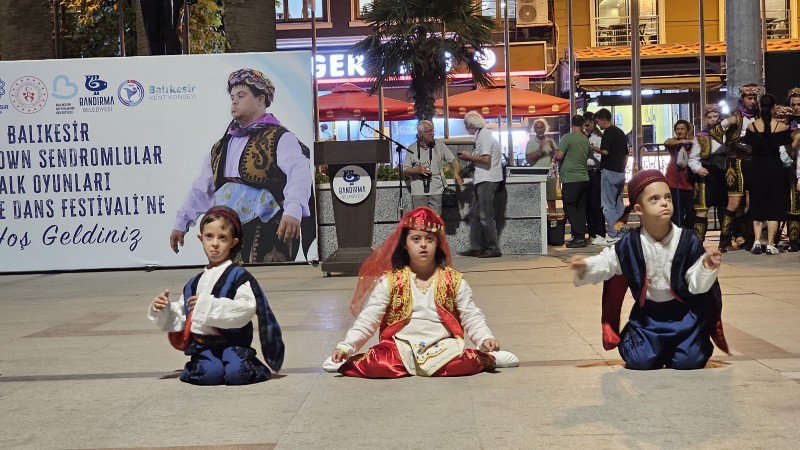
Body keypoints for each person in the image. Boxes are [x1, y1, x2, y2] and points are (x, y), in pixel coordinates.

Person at [322, 207, 519, 378]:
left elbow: (471, 316)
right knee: (380, 363)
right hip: (400, 346)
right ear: (405, 244)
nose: (423, 244)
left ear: (438, 244)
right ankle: (344, 361)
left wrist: (485, 338)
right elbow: (369, 318)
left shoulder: (453, 280)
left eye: (429, 239)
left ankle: (489, 357)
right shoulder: (391, 281)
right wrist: (346, 347)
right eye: (416, 239)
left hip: (442, 346)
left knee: (459, 364)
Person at [569, 170, 728, 370]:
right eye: (655, 199)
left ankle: (681, 346)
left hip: (684, 316)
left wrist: (706, 267)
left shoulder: (688, 241)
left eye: (668, 197)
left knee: (689, 361)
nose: (664, 203)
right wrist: (585, 266)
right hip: (648, 318)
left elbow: (697, 287)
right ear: (639, 209)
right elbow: (608, 262)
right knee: (639, 360)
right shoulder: (630, 243)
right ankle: (653, 345)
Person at [170, 68, 315, 263]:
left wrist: (293, 211)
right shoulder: (221, 146)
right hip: (228, 231)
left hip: (269, 230)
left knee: (267, 280)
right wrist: (181, 223)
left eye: (241, 96)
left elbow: (299, 175)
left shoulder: (281, 137)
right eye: (232, 97)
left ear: (260, 99)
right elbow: (202, 188)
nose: (234, 102)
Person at [148, 206, 285, 385]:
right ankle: (208, 364)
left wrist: (208, 305)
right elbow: (184, 313)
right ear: (201, 239)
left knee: (237, 374)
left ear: (233, 242)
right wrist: (164, 308)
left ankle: (247, 364)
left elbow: (246, 308)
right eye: (209, 236)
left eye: (222, 238)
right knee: (208, 375)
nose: (214, 243)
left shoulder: (238, 276)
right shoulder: (194, 282)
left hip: (234, 343)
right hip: (204, 345)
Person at [741, 94, 793, 255]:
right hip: (775, 168)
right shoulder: (781, 127)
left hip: (755, 169)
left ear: (759, 105)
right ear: (774, 107)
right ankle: (770, 244)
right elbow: (789, 150)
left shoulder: (752, 126)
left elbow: (748, 149)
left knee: (756, 203)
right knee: (774, 207)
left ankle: (757, 241)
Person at [717, 83, 762, 252]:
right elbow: (715, 133)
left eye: (754, 98)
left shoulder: (760, 116)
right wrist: (726, 124)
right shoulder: (732, 115)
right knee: (734, 202)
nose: (753, 101)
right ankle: (724, 240)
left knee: (751, 201)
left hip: (753, 162)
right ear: (742, 98)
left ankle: (748, 238)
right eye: (750, 98)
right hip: (735, 162)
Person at [458, 111, 504, 258]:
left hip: (487, 180)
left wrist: (468, 157)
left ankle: (493, 248)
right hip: (482, 179)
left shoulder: (484, 136)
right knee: (474, 214)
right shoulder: (481, 136)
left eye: (466, 125)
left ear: (471, 125)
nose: (466, 128)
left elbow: (486, 159)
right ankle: (477, 247)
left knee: (485, 216)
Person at [403, 120, 464, 214]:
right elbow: (405, 170)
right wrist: (417, 170)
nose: (432, 133)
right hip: (418, 192)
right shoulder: (411, 148)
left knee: (436, 221)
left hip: (437, 191)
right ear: (421, 134)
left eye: (433, 130)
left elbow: (453, 160)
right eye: (429, 131)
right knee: (420, 221)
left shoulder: (439, 144)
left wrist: (456, 173)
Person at [689, 105, 730, 243]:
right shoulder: (701, 136)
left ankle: (725, 241)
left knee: (724, 208)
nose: (713, 119)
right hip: (706, 177)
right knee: (702, 209)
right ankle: (698, 242)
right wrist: (698, 169)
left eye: (715, 117)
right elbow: (693, 158)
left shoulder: (727, 135)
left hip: (723, 175)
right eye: (710, 117)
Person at [592, 108, 629, 244]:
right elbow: (626, 154)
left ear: (604, 121)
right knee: (619, 204)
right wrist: (622, 168)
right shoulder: (620, 132)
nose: (597, 125)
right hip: (620, 172)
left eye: (598, 122)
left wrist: (592, 148)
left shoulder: (609, 132)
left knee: (608, 205)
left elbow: (605, 151)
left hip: (609, 171)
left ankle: (613, 234)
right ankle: (620, 232)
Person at [555, 114, 591, 248]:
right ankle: (579, 236)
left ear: (571, 124)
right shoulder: (585, 140)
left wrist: (555, 154)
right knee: (580, 208)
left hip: (571, 178)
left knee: (569, 206)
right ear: (582, 124)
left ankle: (579, 236)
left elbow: (559, 156)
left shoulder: (567, 137)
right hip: (584, 177)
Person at [663, 119, 695, 228]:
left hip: (689, 182)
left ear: (687, 130)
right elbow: (667, 142)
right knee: (676, 211)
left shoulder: (693, 142)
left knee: (691, 212)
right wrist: (682, 142)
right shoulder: (673, 142)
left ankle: (689, 233)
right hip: (674, 181)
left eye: (682, 129)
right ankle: (677, 233)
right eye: (677, 129)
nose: (680, 131)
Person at [525, 118, 558, 214]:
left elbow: (557, 156)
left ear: (545, 128)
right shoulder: (530, 142)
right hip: (536, 175)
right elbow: (528, 159)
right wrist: (539, 151)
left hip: (549, 175)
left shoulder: (550, 141)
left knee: (551, 201)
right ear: (534, 129)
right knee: (537, 201)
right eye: (537, 127)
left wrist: (554, 150)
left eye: (542, 127)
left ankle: (553, 221)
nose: (540, 130)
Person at [583, 112, 606, 245]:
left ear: (593, 123)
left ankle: (599, 232)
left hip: (595, 172)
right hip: (585, 172)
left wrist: (591, 150)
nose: (586, 128)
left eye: (588, 125)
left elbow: (600, 158)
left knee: (596, 204)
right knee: (587, 204)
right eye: (584, 125)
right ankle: (591, 233)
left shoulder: (599, 137)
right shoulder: (584, 136)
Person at [785, 88, 800, 251]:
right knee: (793, 204)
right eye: (793, 104)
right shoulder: (787, 122)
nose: (796, 107)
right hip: (791, 168)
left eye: (799, 104)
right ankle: (794, 240)